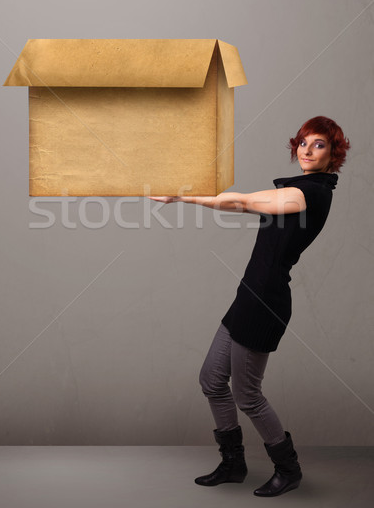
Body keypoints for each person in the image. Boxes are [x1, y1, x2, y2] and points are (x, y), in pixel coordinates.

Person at [148, 116, 350, 497]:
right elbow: (240, 205)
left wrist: (180, 195)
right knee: (211, 380)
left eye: (319, 144)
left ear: (333, 153)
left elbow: (241, 201)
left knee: (247, 394)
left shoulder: (311, 194)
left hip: (266, 301)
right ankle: (233, 463)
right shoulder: (298, 187)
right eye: (303, 143)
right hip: (249, 294)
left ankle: (288, 470)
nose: (307, 150)